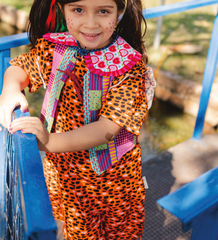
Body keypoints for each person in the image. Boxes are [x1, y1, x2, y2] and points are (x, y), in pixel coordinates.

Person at [0, 0, 156, 239]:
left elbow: (107, 128)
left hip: (111, 179)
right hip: (63, 168)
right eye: (78, 10)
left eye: (103, 11)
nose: (91, 24)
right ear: (63, 9)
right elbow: (22, 66)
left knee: (116, 232)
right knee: (75, 228)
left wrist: (48, 142)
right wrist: (10, 89)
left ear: (120, 11)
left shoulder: (129, 67)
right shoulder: (56, 48)